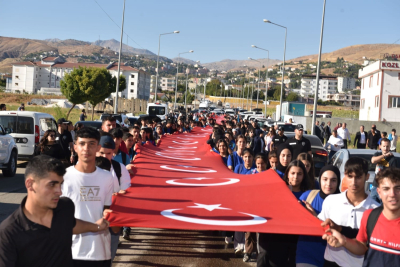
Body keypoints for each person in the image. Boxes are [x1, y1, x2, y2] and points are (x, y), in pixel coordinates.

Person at [0, 155, 110, 267]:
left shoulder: (65, 207)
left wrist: (96, 226)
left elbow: (71, 224)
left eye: (60, 184)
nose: (59, 191)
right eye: (52, 185)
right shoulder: (8, 233)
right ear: (30, 184)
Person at [322, 168, 400, 267]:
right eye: (386, 189)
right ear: (379, 192)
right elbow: (362, 247)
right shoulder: (370, 216)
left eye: (398, 188)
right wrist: (344, 241)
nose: (392, 194)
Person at [318, 157, 380, 267]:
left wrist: (340, 230)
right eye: (350, 176)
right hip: (331, 262)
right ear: (345, 176)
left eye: (359, 177)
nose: (354, 182)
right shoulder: (331, 201)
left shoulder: (376, 209)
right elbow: (320, 227)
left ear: (367, 176)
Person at [258, 160, 310, 267]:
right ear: (287, 174)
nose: (295, 177)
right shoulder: (277, 190)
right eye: (293, 173)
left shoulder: (309, 195)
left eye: (299, 174)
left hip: (297, 240)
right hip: (277, 239)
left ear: (304, 176)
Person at [296, 165, 341, 267]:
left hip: (335, 258)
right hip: (307, 255)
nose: (328, 184)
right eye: (325, 179)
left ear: (338, 181)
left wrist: (316, 218)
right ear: (319, 180)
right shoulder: (308, 196)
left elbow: (344, 231)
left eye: (333, 180)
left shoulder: (344, 203)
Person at [95, 135, 130, 256]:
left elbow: (127, 190)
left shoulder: (120, 168)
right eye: (101, 153)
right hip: (90, 219)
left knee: (109, 256)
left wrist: (120, 195)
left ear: (113, 153)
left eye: (108, 153)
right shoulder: (84, 167)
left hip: (112, 221)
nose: (105, 156)